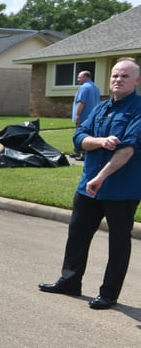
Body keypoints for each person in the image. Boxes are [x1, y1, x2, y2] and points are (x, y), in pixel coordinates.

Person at [39, 58, 141, 310]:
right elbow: (78, 138)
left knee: (118, 242)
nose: (118, 79)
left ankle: (108, 294)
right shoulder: (101, 107)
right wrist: (100, 141)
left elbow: (127, 149)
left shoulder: (138, 109)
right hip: (88, 186)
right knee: (77, 235)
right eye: (115, 75)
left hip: (121, 190)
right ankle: (70, 281)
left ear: (137, 81)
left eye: (125, 76)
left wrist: (101, 177)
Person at [71, 70, 101, 160]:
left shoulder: (84, 87)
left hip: (83, 116)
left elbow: (81, 102)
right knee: (90, 134)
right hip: (92, 116)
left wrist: (77, 114)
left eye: (79, 77)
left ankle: (82, 154)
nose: (77, 79)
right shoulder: (95, 87)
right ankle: (78, 152)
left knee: (81, 135)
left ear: (86, 77)